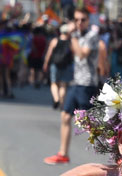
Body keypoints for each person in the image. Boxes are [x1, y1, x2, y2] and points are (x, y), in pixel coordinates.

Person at [44, 10, 107, 165]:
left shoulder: (91, 36)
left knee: (91, 124)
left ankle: (120, 148)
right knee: (65, 116)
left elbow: (81, 54)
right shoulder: (77, 36)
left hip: (87, 83)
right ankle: (63, 153)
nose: (79, 22)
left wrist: (72, 37)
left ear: (88, 21)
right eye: (76, 19)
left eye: (83, 19)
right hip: (76, 82)